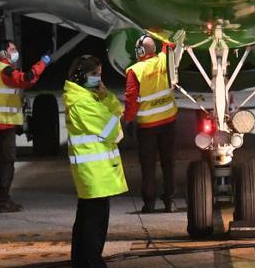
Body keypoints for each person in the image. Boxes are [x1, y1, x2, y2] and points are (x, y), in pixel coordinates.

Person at [64, 55, 127, 268]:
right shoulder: (82, 102)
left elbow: (115, 113)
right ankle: (92, 263)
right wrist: (113, 112)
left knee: (85, 221)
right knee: (94, 225)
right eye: (94, 74)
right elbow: (111, 129)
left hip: (95, 172)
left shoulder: (89, 97)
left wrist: (106, 97)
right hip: (94, 172)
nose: (98, 79)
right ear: (81, 76)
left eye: (100, 74)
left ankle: (82, 262)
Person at [0, 40, 53, 213]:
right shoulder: (5, 70)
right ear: (3, 53)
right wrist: (43, 62)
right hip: (3, 124)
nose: (15, 52)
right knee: (7, 163)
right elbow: (27, 79)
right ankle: (3, 200)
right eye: (12, 49)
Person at [124, 34, 177, 213]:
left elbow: (131, 100)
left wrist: (129, 119)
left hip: (147, 126)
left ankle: (149, 202)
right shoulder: (164, 59)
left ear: (139, 51)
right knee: (168, 162)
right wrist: (157, 31)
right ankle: (169, 199)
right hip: (169, 121)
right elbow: (170, 42)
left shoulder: (135, 71)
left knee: (148, 166)